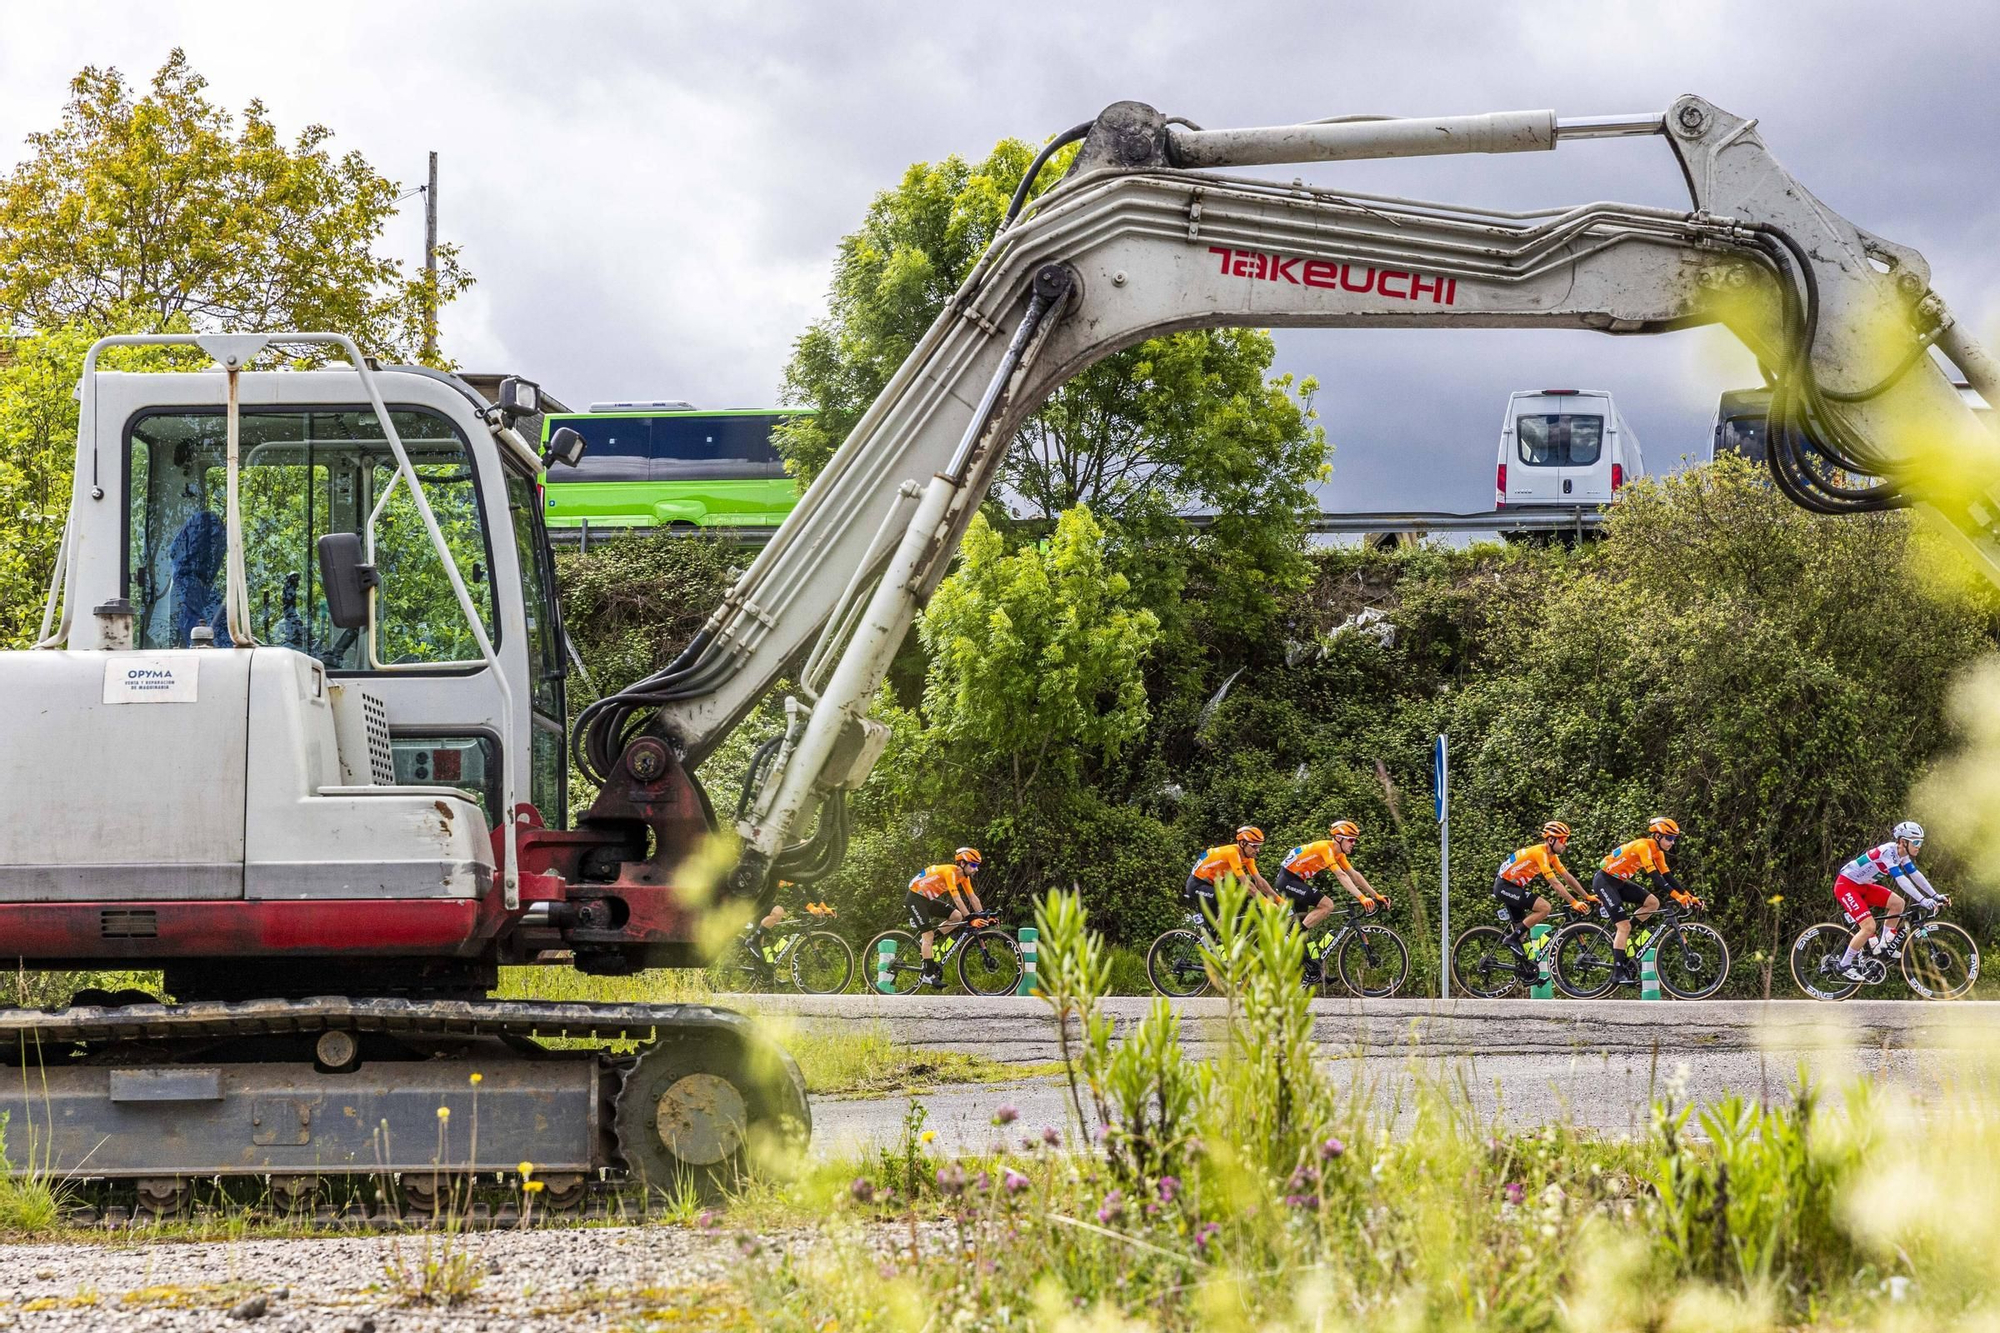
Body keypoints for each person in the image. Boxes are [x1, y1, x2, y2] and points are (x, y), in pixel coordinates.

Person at [1829, 821, 1947, 982]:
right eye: (1916, 842)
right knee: (1869, 927)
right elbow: (1901, 879)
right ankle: (1844, 964)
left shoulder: (1902, 855)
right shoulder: (1888, 852)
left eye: (1921, 842)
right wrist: (1922, 900)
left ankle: (1884, 943)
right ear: (1903, 842)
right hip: (1846, 885)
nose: (1919, 846)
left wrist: (1934, 895)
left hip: (1863, 886)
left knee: (1898, 904)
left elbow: (1914, 874)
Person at [1275, 821, 1388, 981]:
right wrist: (1361, 897)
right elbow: (1341, 875)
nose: (1354, 843)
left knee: (1305, 928)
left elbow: (1354, 875)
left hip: (1297, 881)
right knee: (1327, 905)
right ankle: (1290, 939)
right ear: (1339, 839)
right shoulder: (1326, 848)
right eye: (1351, 840)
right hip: (1288, 880)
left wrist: (1376, 895)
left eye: (1355, 840)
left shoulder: (1339, 854)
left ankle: (1312, 971)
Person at [1594, 817, 1684, 986]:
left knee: (1653, 903)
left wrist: (1687, 895)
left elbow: (1667, 876)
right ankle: (1617, 974)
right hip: (1605, 881)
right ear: (1657, 836)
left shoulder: (1658, 853)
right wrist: (1677, 896)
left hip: (1619, 882)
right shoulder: (1643, 847)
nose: (1672, 842)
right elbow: (1655, 877)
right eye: (1669, 838)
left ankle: (1618, 935)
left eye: (1674, 839)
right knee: (1624, 926)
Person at [1493, 820, 1592, 964]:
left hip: (1513, 887)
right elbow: (1555, 883)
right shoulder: (1540, 853)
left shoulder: (1552, 856)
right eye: (1563, 840)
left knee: (1522, 933)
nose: (1565, 844)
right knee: (1544, 908)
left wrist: (1587, 896)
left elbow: (1567, 877)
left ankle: (1527, 969)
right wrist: (1574, 902)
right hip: (1504, 887)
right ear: (1551, 840)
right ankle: (1511, 939)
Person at [907, 848, 985, 989]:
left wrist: (984, 916)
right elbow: (957, 899)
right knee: (928, 935)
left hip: (927, 899)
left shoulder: (964, 877)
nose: (976, 869)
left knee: (956, 916)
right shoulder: (950, 873)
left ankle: (927, 941)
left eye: (977, 866)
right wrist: (970, 918)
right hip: (915, 899)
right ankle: (928, 975)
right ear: (962, 863)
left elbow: (973, 898)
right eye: (973, 865)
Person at [1185, 826, 1277, 920]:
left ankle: (1216, 932)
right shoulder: (1232, 853)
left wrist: (1279, 900)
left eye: (1259, 846)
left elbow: (1260, 881)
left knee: (1227, 911)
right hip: (1196, 885)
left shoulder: (1248, 858)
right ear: (1242, 843)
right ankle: (1218, 931)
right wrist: (1266, 903)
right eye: (1254, 846)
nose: (1257, 850)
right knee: (1227, 901)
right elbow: (1247, 885)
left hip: (1210, 885)